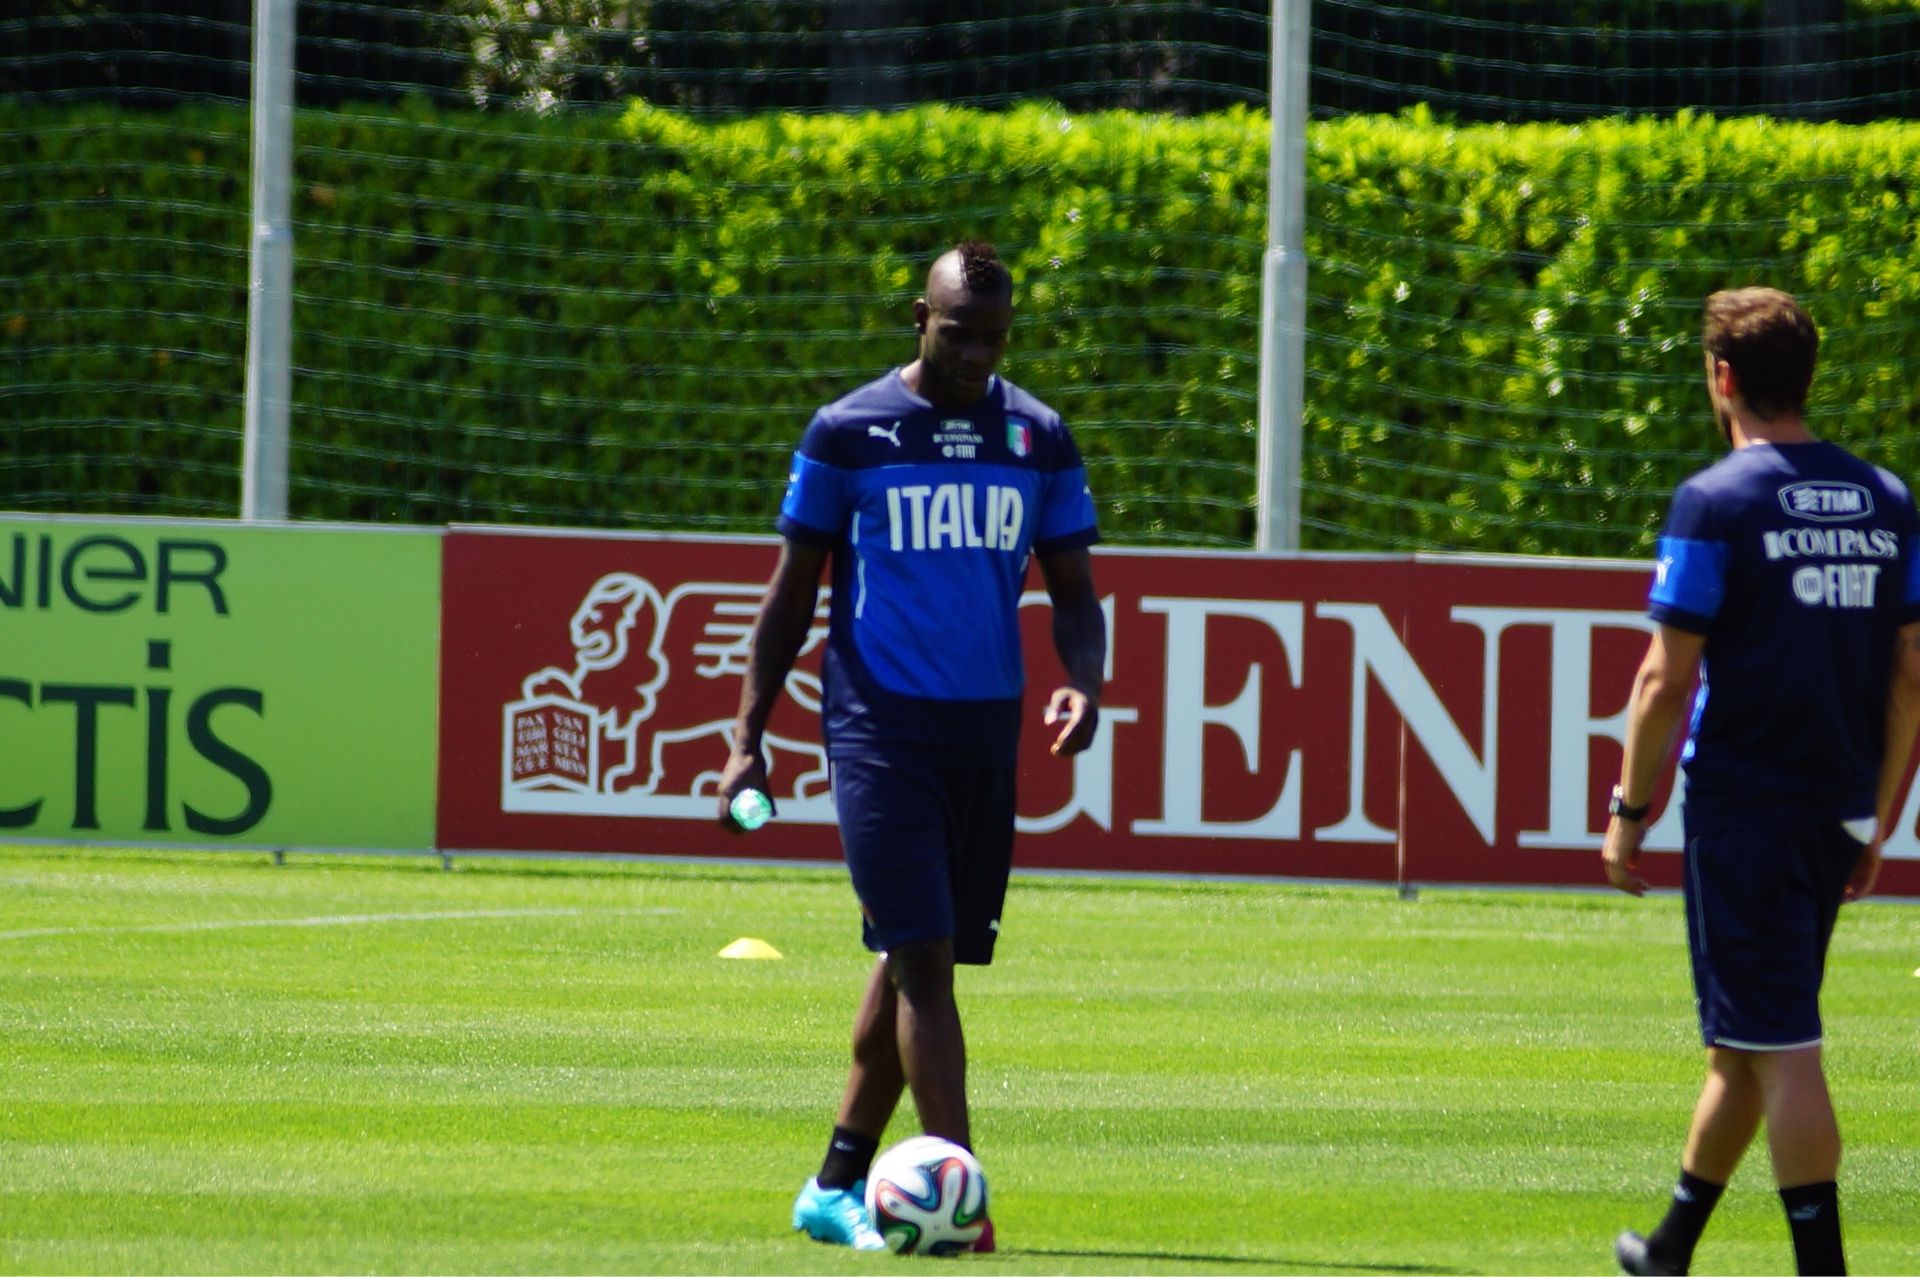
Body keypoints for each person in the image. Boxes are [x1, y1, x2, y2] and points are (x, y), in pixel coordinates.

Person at [718, 239, 1107, 1253]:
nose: (977, 354)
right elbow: (790, 594)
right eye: (957, 331)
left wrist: (1084, 684)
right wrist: (747, 735)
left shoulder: (1039, 437)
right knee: (926, 962)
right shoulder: (849, 433)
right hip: (878, 728)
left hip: (986, 731)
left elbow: (1074, 596)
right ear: (917, 319)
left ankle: (834, 1181)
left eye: (994, 336)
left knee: (909, 956)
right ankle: (963, 1205)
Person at [1603, 287, 1920, 1277]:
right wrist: (1880, 820)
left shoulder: (1715, 501)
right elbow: (1912, 677)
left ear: (1723, 377)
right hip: (1835, 804)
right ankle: (1669, 1247)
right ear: (1807, 375)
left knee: (1783, 1043)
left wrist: (1628, 812)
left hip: (1745, 807)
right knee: (1745, 1038)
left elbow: (1664, 678)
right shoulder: (1887, 498)